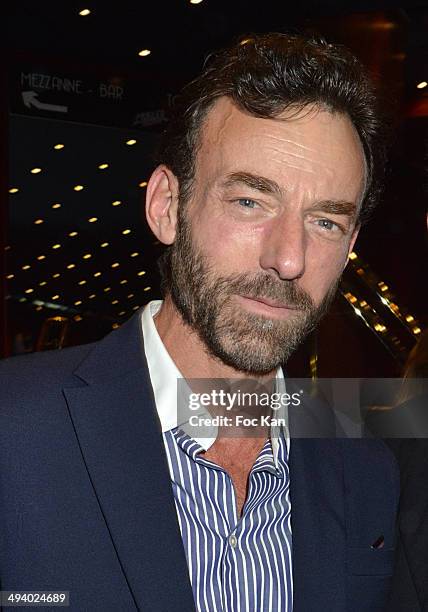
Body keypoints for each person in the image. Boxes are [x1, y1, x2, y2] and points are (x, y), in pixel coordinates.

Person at [0, 33, 400, 611]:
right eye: (249, 202)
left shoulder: (366, 469)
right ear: (167, 206)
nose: (289, 258)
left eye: (326, 222)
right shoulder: (15, 432)